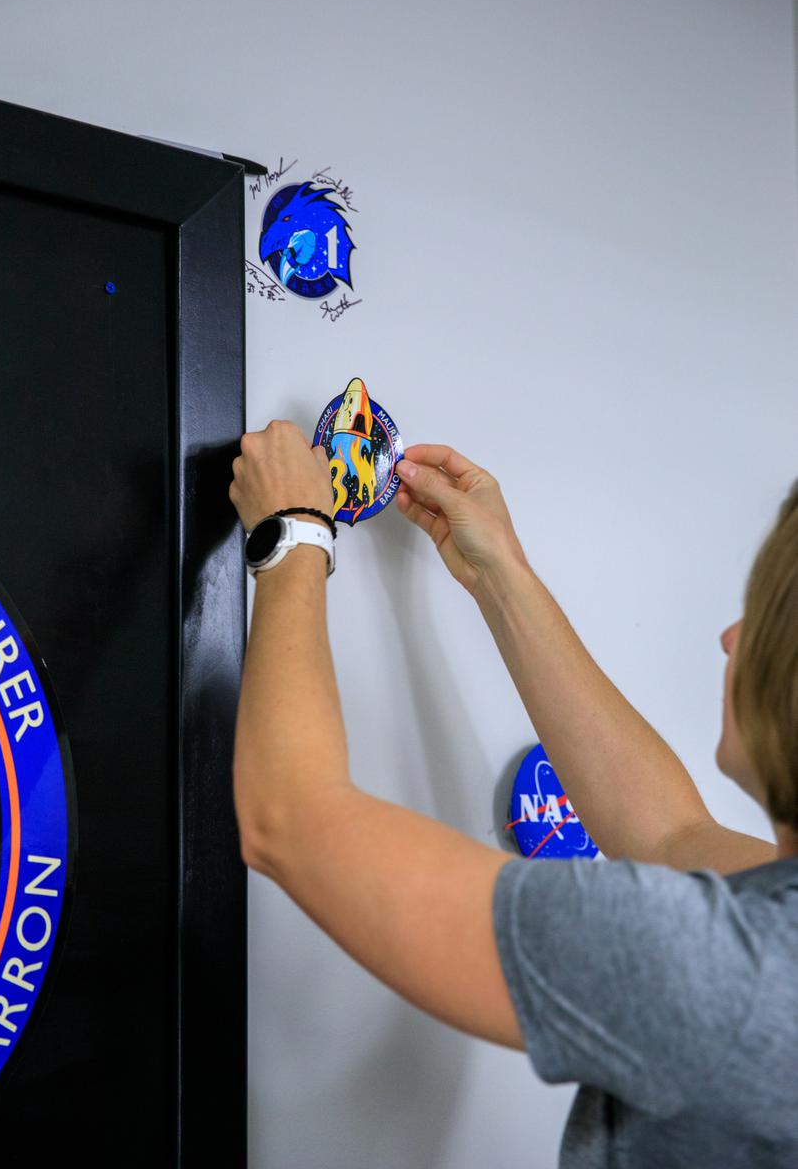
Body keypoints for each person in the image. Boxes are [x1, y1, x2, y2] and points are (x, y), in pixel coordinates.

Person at [229, 420, 798, 1168]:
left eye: (763, 622)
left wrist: (293, 536)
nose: (730, 638)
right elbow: (665, 836)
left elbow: (288, 821)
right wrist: (499, 576)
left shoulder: (734, 978)